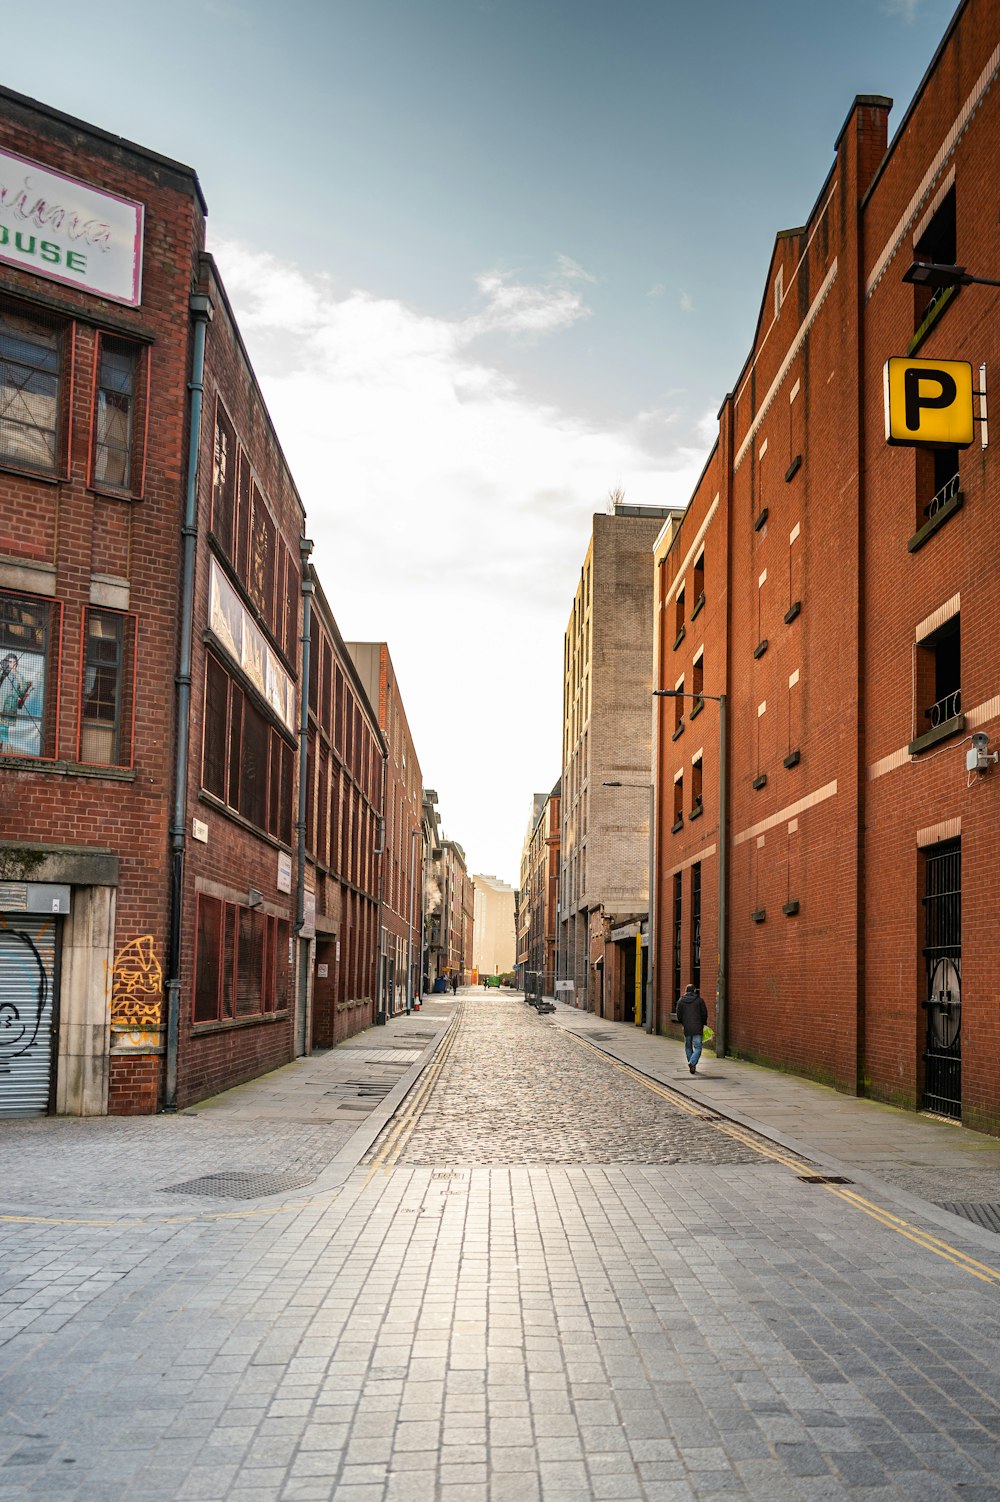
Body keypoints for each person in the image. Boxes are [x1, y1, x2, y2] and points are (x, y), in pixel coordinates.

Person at [676, 982, 708, 1074]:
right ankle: (692, 1063)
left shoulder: (681, 1000)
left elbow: (679, 1014)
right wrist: (703, 1024)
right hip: (698, 1027)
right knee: (698, 1047)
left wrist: (683, 1023)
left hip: (687, 1027)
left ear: (686, 991)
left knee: (688, 1046)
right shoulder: (699, 1000)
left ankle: (691, 1064)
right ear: (695, 991)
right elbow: (704, 1014)